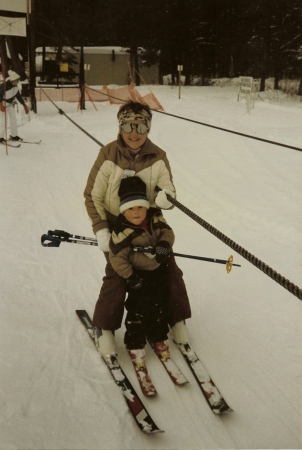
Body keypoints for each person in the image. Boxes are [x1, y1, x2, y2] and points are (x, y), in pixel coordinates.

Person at [84, 100, 191, 356]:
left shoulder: (158, 156)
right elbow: (92, 196)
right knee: (118, 272)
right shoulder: (108, 154)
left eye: (141, 127)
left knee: (169, 268)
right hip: (116, 224)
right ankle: (105, 326)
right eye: (129, 126)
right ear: (120, 127)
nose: (134, 133)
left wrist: (167, 198)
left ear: (148, 129)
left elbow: (169, 189)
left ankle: (176, 318)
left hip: (148, 221)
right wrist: (101, 228)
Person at [109, 175, 175, 396]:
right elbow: (117, 257)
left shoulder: (155, 217)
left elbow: (167, 232)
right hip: (138, 277)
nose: (136, 212)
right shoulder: (121, 230)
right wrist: (130, 277)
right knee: (138, 309)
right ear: (123, 210)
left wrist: (164, 245)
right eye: (131, 208)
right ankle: (135, 343)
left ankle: (158, 335)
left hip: (158, 271)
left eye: (140, 207)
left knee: (160, 306)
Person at [0, 70, 29, 143]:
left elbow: (18, 96)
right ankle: (0, 137)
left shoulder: (15, 86)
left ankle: (14, 135)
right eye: (17, 80)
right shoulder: (4, 86)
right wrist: (0, 105)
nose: (18, 82)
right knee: (3, 121)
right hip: (3, 103)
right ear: (12, 80)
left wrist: (24, 104)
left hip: (10, 104)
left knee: (13, 120)